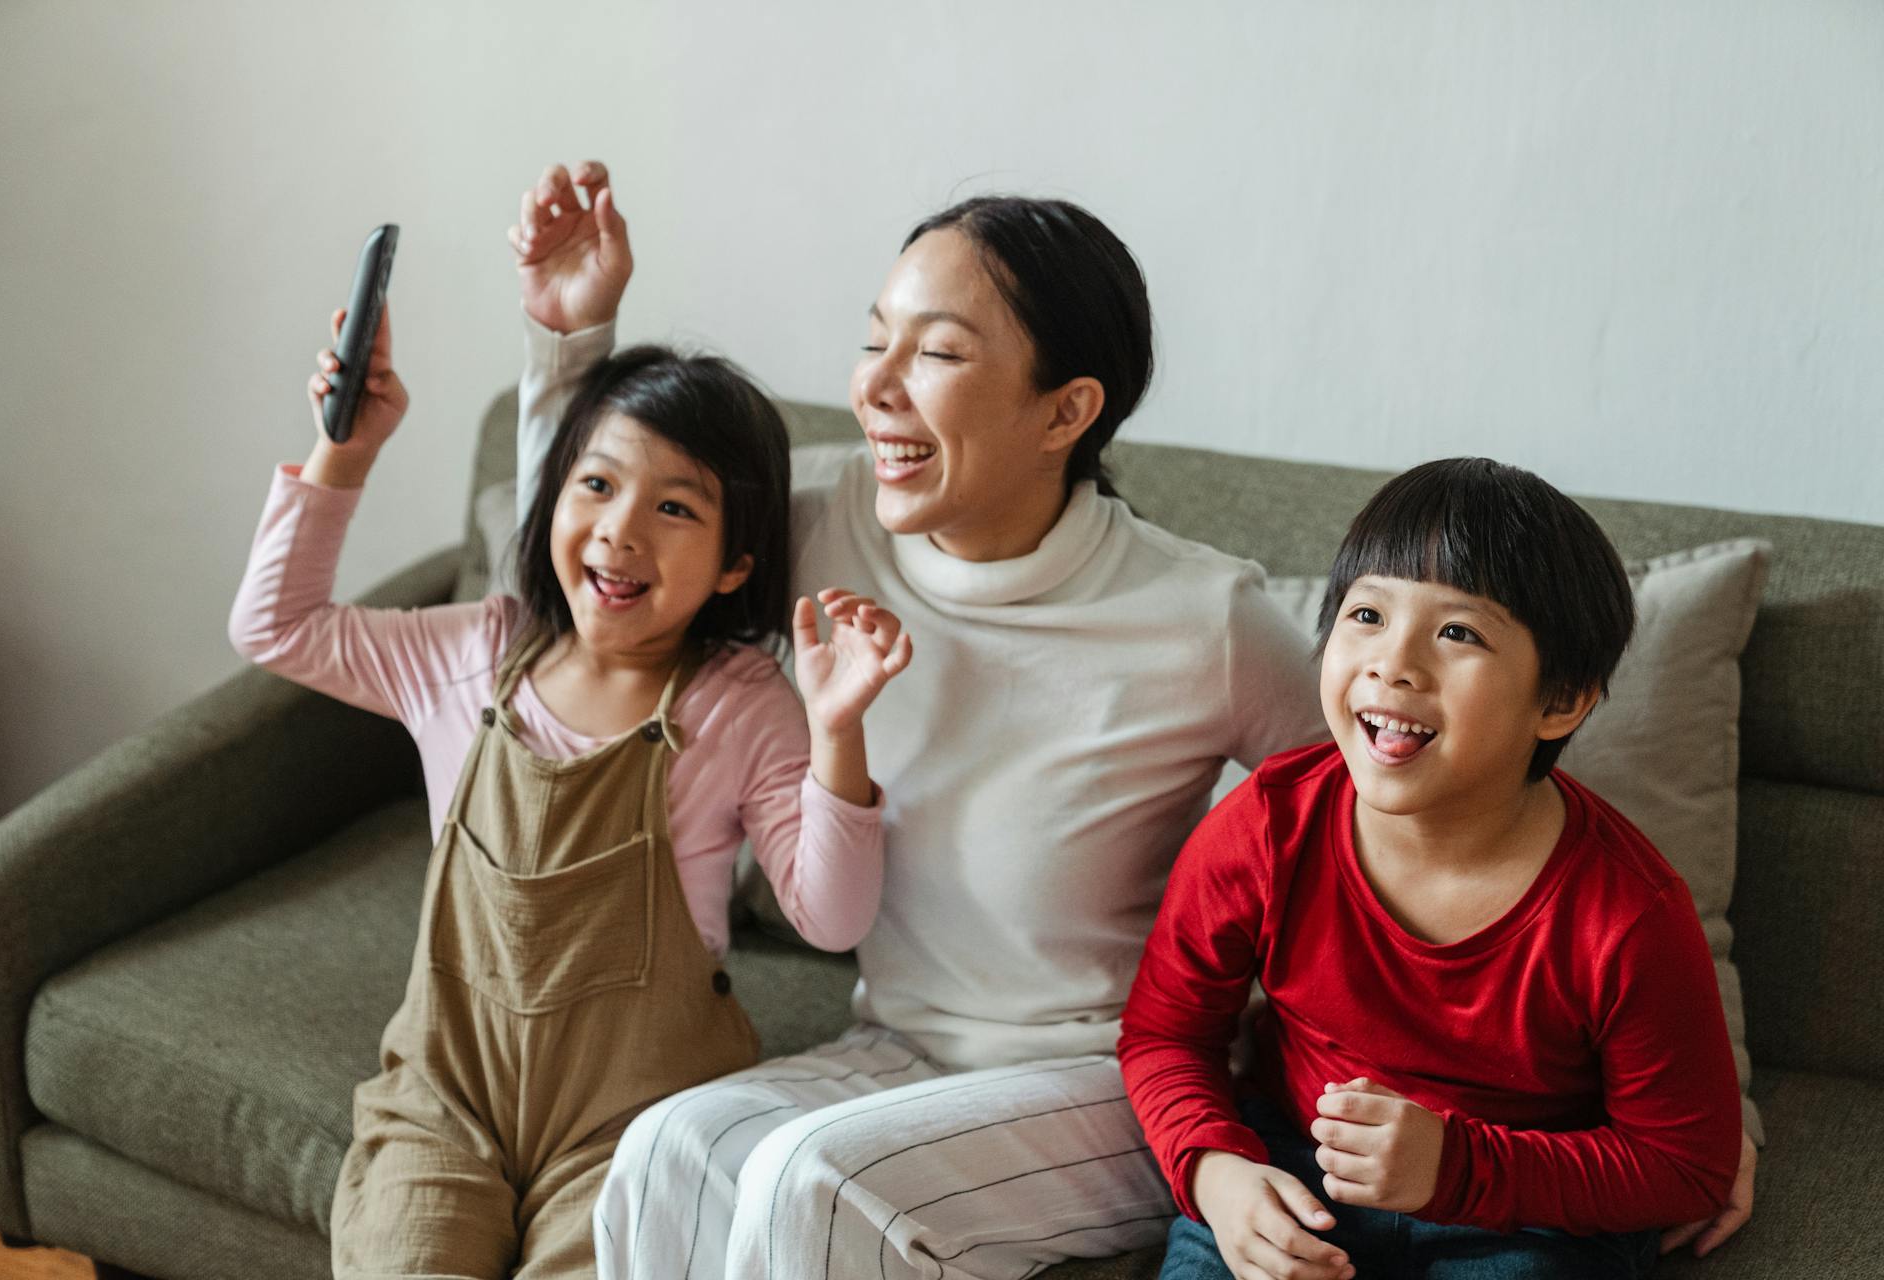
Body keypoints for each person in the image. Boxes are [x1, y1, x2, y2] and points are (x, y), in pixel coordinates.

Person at [509, 162, 1328, 1279]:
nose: (877, 386)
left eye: (937, 352)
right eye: (875, 339)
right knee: (665, 1149)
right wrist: (571, 341)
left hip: (1105, 1077)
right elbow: (600, 565)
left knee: (819, 1182)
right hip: (894, 1045)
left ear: (1066, 410)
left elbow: (1381, 817)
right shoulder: (828, 519)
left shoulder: (1205, 616)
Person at [228, 304, 912, 1278]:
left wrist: (838, 732)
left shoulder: (738, 702)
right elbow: (275, 627)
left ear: (736, 564)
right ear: (554, 502)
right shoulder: (473, 651)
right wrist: (346, 445)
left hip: (636, 1124)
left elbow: (833, 917)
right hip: (443, 1102)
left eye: (677, 507)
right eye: (597, 484)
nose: (623, 529)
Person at [1118, 458, 1743, 1280]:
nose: (1393, 662)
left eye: (1458, 632)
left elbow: (1688, 1163)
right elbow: (1167, 1033)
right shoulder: (1268, 827)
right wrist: (1215, 1171)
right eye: (1368, 613)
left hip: (1523, 1216)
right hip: (1293, 1167)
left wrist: (1458, 1168)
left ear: (1559, 701)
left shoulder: (1625, 914)